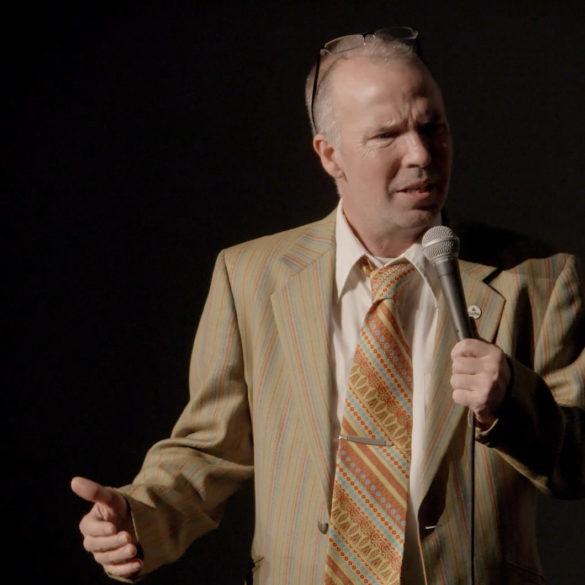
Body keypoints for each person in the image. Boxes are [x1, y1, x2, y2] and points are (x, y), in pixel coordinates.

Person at [72, 28, 585, 584]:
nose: (420, 154)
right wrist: (139, 517)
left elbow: (579, 461)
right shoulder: (251, 277)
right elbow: (209, 449)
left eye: (432, 127)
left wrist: (512, 403)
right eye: (386, 134)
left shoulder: (538, 279)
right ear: (330, 155)